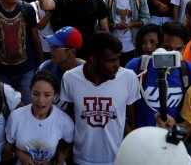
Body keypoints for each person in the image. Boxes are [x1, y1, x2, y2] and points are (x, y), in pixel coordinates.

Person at [60, 32, 140, 165]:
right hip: (81, 159)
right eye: (111, 60)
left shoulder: (129, 78)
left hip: (117, 160)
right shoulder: (70, 78)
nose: (117, 66)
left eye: (118, 59)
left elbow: (131, 119)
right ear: (93, 59)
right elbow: (69, 117)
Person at [126, 22, 191, 128]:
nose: (173, 54)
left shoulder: (189, 70)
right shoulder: (137, 66)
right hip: (141, 139)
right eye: (167, 48)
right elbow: (122, 110)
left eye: (178, 50)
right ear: (158, 45)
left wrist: (177, 133)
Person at [38, 0, 109, 58]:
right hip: (67, 55)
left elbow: (105, 30)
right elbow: (44, 6)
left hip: (89, 55)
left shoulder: (96, 1)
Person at [5, 71, 74, 165]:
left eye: (47, 95)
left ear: (55, 96)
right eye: (36, 94)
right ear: (30, 92)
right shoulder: (15, 117)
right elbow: (7, 151)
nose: (40, 100)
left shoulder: (64, 121)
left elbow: (69, 145)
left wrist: (54, 161)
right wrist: (19, 153)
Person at [103, 0, 150, 65]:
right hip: (113, 47)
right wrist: (115, 25)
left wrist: (132, 24)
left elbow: (147, 19)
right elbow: (101, 23)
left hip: (133, 46)